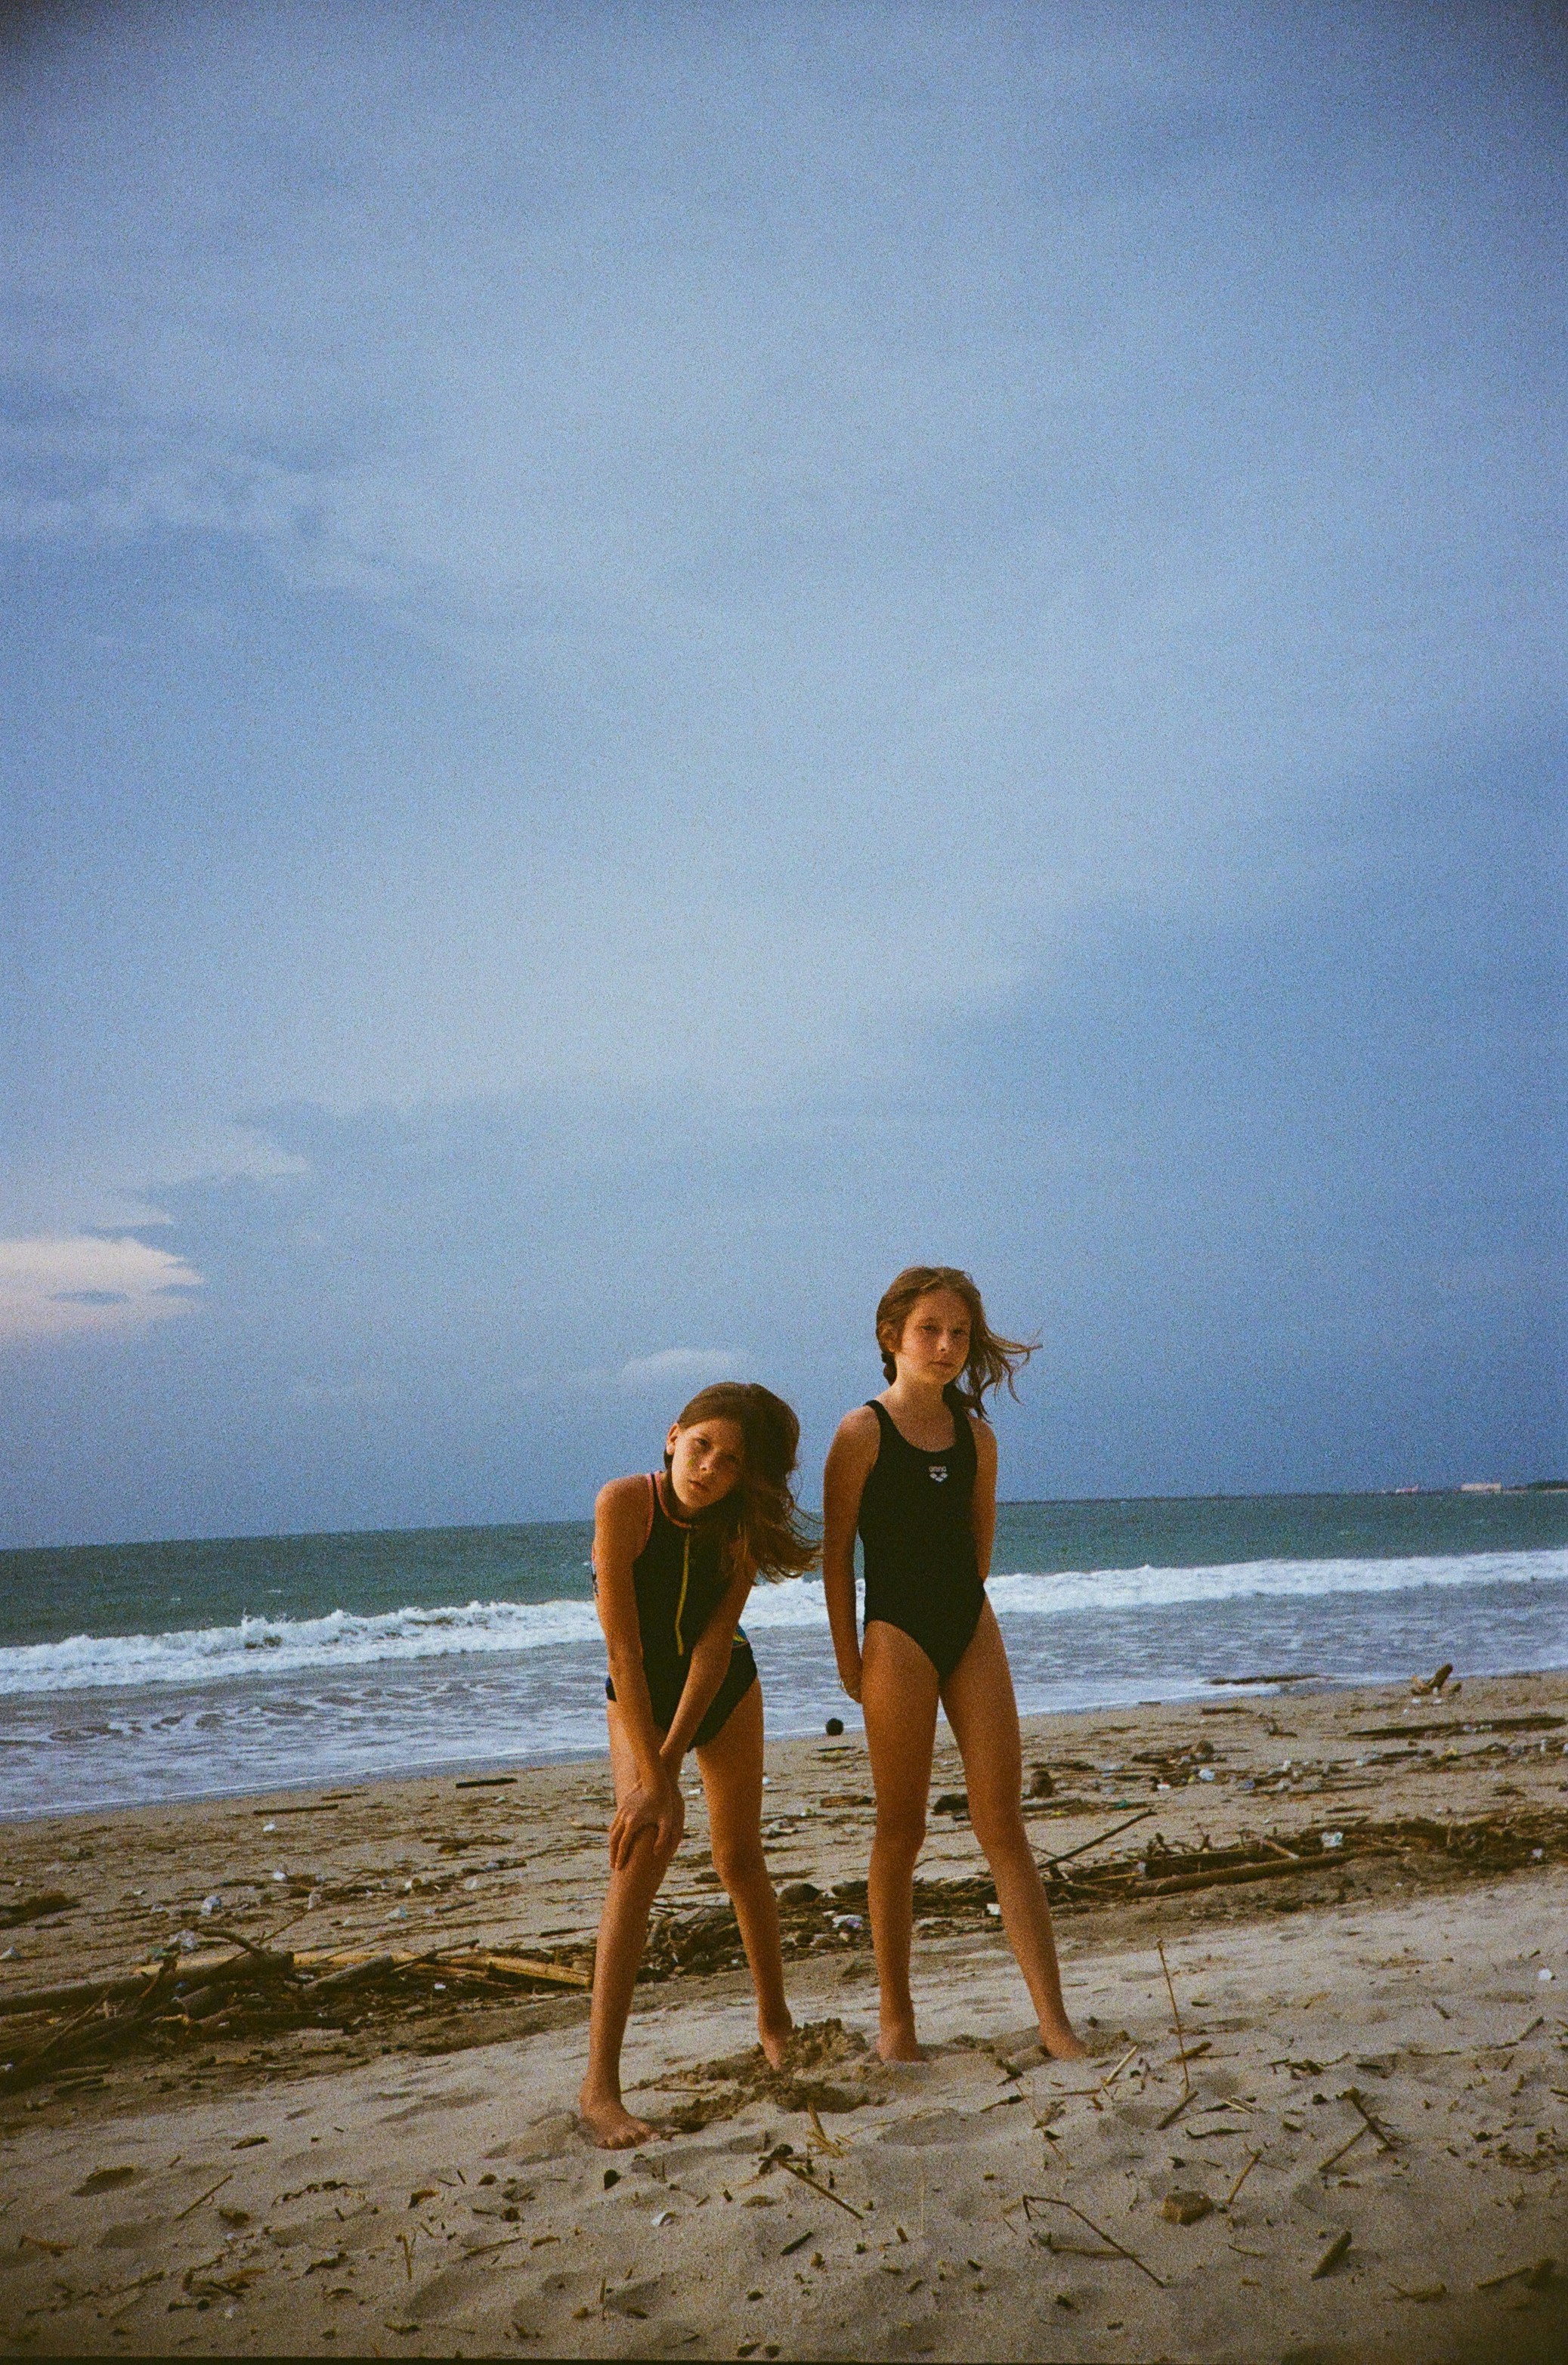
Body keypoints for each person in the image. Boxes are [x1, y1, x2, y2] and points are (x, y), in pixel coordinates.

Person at [822, 1266, 1087, 2064]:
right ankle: (896, 2021)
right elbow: (836, 1558)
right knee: (898, 1827)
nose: (944, 1346)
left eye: (958, 1333)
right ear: (890, 1336)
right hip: (894, 1636)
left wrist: (962, 1617)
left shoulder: (977, 1436)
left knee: (1001, 1821)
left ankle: (1053, 2021)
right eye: (929, 1329)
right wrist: (849, 1658)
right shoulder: (860, 1431)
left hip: (968, 1627)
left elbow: (978, 1548)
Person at [579, 1381, 816, 2147]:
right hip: (638, 1691)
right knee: (641, 1851)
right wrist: (650, 1777)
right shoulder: (623, 1502)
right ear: (672, 1434)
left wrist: (671, 1767)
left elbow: (714, 1646)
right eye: (702, 1443)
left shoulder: (738, 1529)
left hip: (722, 1686)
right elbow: (624, 1650)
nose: (709, 1465)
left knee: (739, 1857)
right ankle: (598, 2090)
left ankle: (774, 2022)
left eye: (731, 1460)